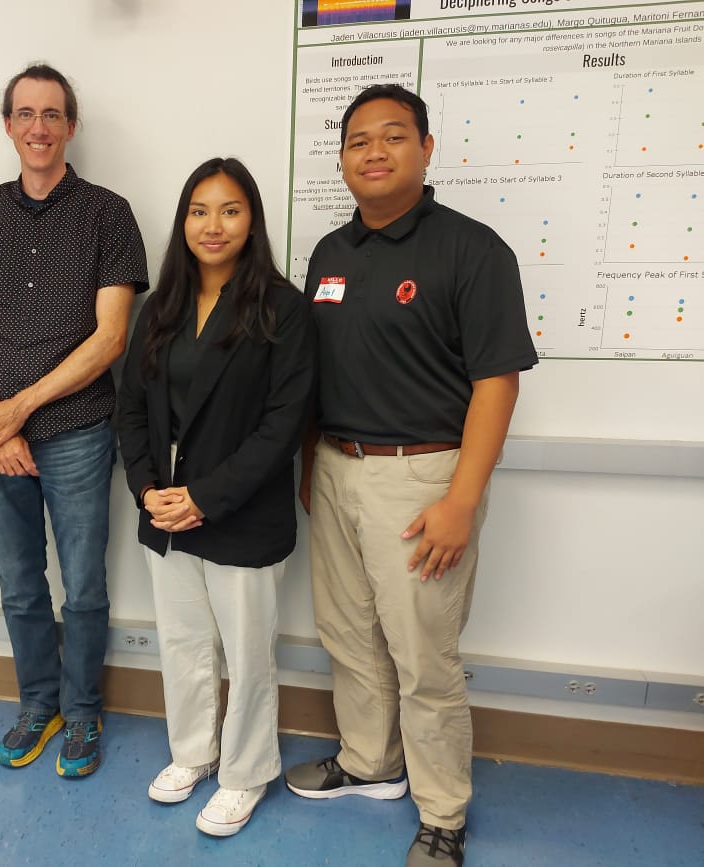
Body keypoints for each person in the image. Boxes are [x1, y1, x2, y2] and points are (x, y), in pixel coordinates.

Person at [284, 85, 538, 866]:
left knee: (425, 658)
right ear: (342, 159)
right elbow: (312, 372)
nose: (375, 151)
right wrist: (308, 464)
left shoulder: (473, 249)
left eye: (394, 136)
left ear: (427, 149)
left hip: (423, 479)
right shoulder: (330, 253)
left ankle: (443, 814)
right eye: (359, 140)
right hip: (334, 470)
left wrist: (461, 499)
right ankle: (369, 761)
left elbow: (498, 381)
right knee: (349, 636)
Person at [0, 63, 147, 777]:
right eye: (25, 114)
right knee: (21, 584)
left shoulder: (108, 213)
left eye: (52, 114)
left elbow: (110, 338)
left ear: (71, 125)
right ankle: (40, 704)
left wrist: (18, 411)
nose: (39, 127)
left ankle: (83, 711)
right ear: (7, 125)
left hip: (78, 430)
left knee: (84, 584)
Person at [117, 157, 315, 836]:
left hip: (240, 514)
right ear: (182, 221)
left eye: (230, 209)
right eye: (199, 210)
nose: (213, 225)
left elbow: (282, 424)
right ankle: (193, 753)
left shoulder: (282, 309)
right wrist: (147, 489)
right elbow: (131, 412)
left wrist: (204, 496)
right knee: (183, 642)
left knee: (248, 651)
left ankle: (246, 772)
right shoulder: (159, 307)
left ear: (251, 219)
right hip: (166, 514)